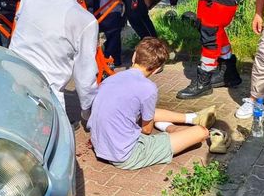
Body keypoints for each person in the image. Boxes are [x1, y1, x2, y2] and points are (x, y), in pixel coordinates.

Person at [88, 38, 214, 170]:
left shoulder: (113, 78)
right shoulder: (148, 88)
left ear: (134, 56)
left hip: (101, 146)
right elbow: (147, 130)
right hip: (127, 155)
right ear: (157, 69)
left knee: (147, 112)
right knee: (201, 132)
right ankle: (172, 128)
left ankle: (192, 118)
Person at [9, 0, 99, 119]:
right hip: (45, 98)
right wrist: (88, 112)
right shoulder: (85, 20)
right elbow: (85, 75)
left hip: (12, 78)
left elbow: (17, 29)